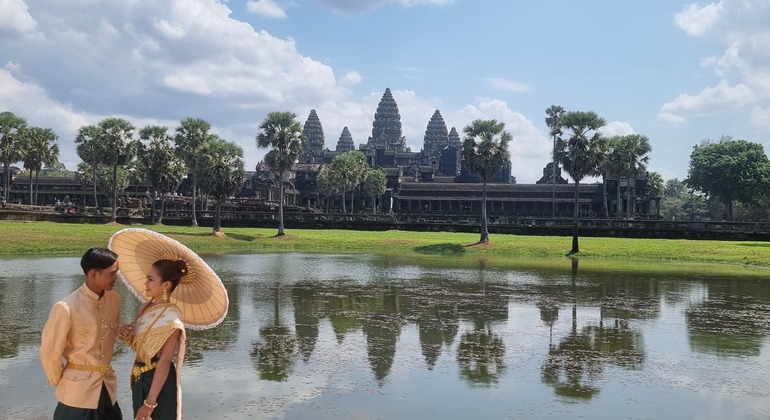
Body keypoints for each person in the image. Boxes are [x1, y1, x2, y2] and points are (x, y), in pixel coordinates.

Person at [39, 247, 123, 419]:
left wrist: (122, 331)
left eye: (117, 272)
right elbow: (50, 352)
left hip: (107, 388)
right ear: (93, 274)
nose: (116, 278)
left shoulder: (114, 299)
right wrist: (61, 381)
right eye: (111, 273)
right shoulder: (66, 308)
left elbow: (106, 333)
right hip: (77, 393)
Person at [119, 259, 187, 420]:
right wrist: (124, 333)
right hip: (139, 378)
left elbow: (164, 361)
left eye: (150, 279)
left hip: (159, 383)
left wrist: (150, 402)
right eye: (146, 278)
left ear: (166, 285)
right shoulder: (144, 308)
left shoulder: (173, 319)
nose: (145, 283)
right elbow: (138, 342)